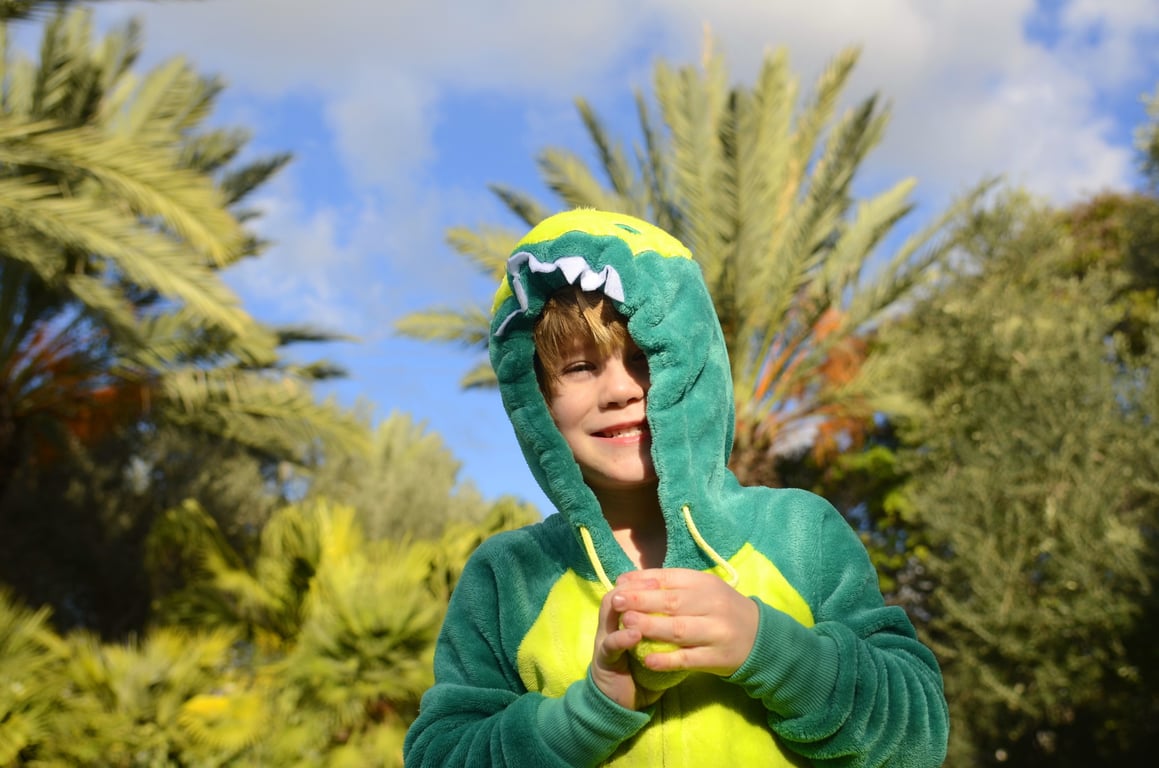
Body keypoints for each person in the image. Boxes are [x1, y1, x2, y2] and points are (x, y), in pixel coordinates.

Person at [403, 209, 948, 767]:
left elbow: (917, 738)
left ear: (694, 364)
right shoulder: (505, 580)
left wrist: (769, 650)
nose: (618, 389)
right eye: (579, 368)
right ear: (537, 399)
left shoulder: (800, 534)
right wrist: (588, 714)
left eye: (643, 357)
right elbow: (440, 755)